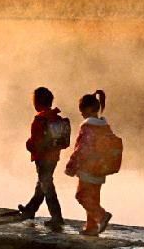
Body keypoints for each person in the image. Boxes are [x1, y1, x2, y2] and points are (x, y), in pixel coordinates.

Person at [63, 90, 114, 237]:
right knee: (93, 198)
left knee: (81, 196)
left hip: (88, 169)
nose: (81, 114)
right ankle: (91, 227)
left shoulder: (88, 127)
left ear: (88, 109)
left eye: (82, 111)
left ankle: (102, 216)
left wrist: (71, 167)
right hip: (101, 168)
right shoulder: (104, 127)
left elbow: (82, 149)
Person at [18, 86, 67, 232]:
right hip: (54, 157)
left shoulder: (39, 120)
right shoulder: (55, 118)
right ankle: (30, 210)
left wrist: (28, 144)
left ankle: (57, 216)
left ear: (37, 103)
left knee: (47, 186)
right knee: (43, 183)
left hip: (42, 158)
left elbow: (35, 143)